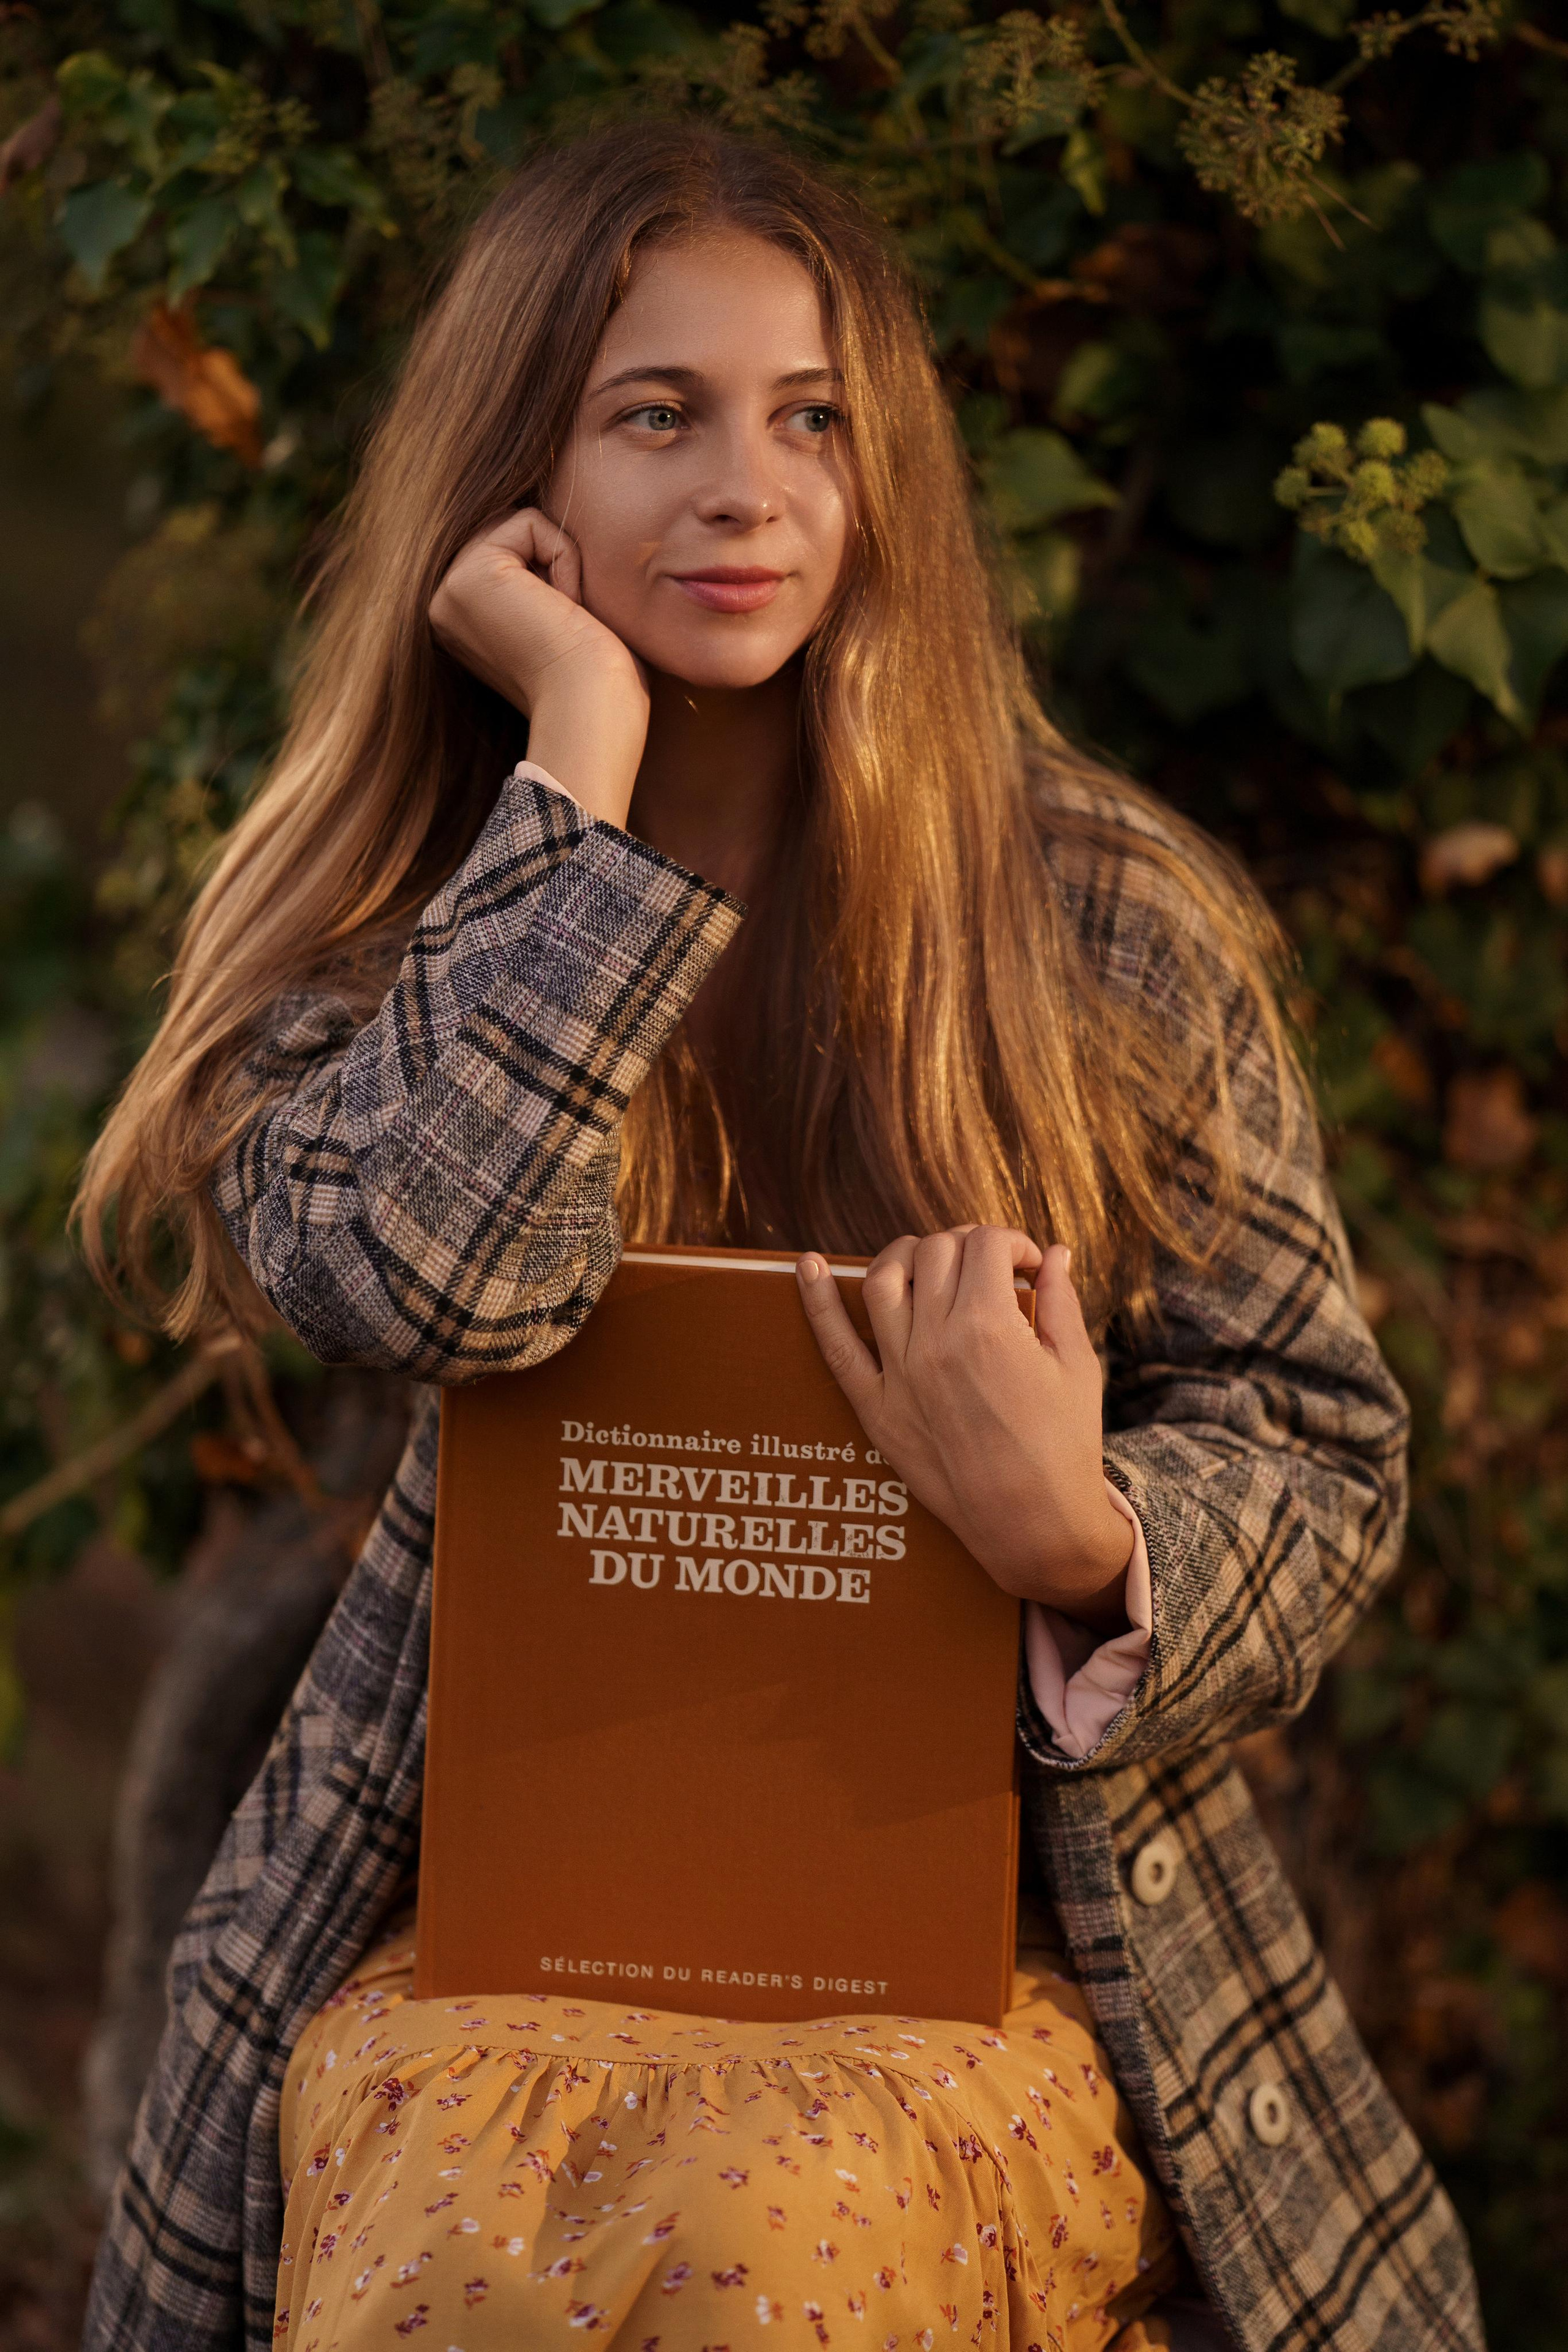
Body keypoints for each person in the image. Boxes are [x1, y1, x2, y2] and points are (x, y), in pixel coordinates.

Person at [77, 124, 1483, 2352]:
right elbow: (445, 1281)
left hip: (995, 1956)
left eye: (813, 419)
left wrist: (1090, 1533)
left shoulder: (1097, 916)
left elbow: (1322, 1450)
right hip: (490, 1946)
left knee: (779, 2204)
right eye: (660, 415)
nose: (749, 486)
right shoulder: (365, 938)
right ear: (509, 470)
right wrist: (579, 772)